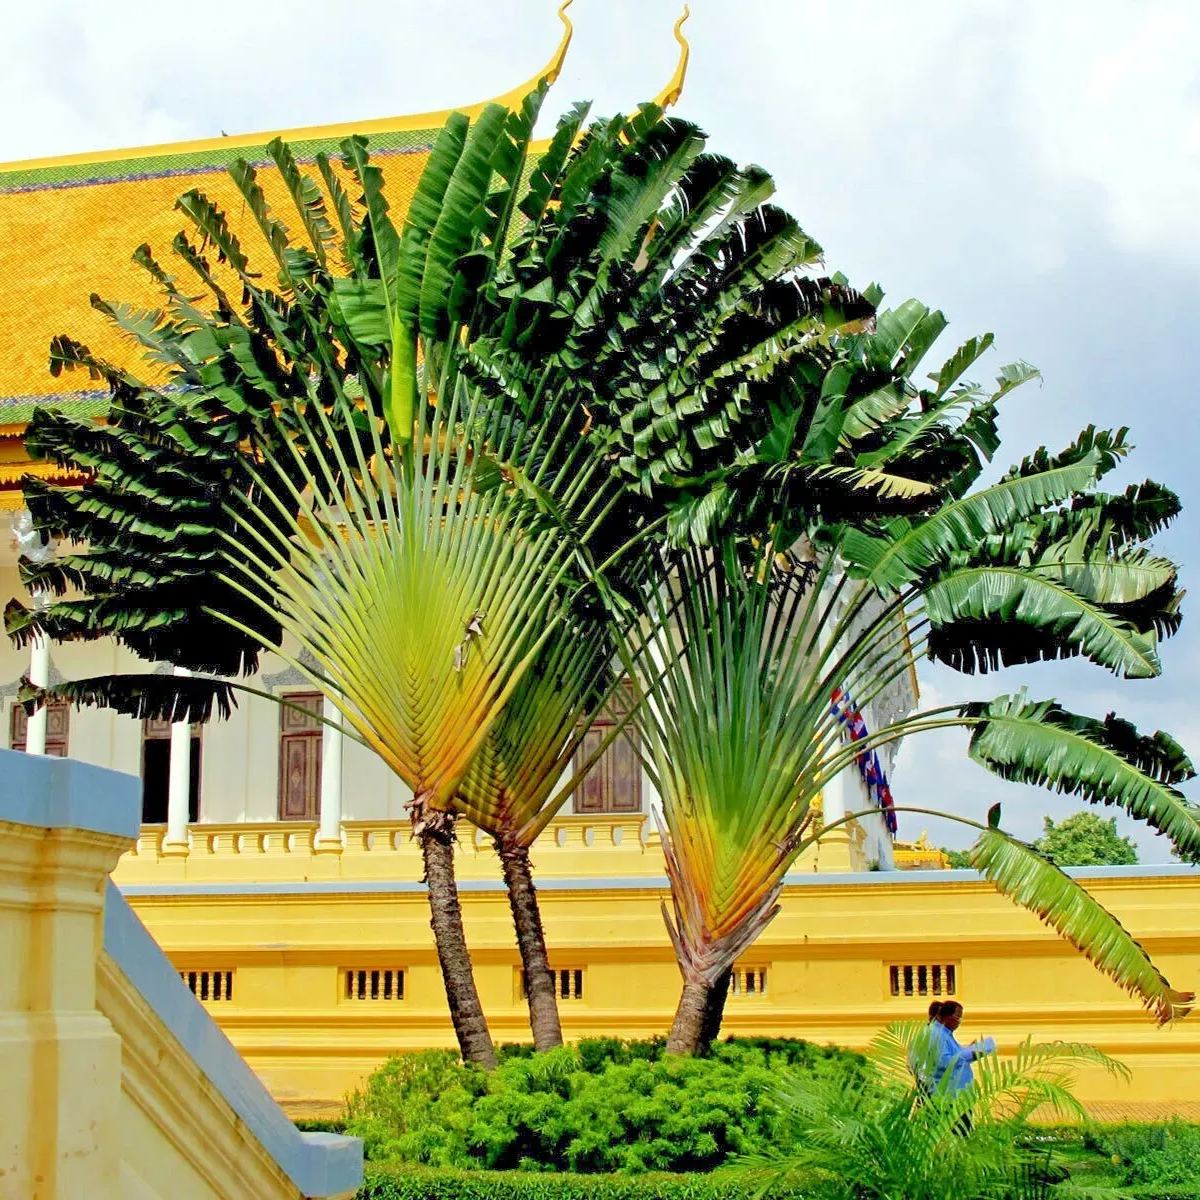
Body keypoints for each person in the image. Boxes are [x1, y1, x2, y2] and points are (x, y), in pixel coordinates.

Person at [927, 1001, 996, 1133]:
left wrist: (970, 1050)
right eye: (957, 1017)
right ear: (946, 1016)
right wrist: (970, 1053)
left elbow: (955, 1054)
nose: (959, 1022)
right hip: (947, 1098)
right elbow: (944, 1062)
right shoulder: (936, 1034)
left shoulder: (945, 1034)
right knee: (953, 1135)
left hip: (958, 1096)